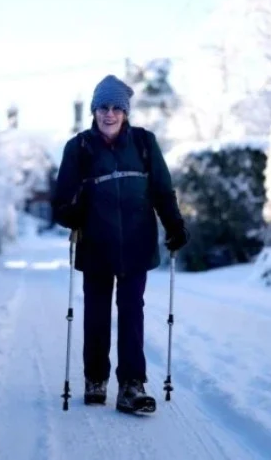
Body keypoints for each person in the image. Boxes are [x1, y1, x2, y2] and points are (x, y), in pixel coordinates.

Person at [51, 74, 189, 413]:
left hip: (137, 245)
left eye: (115, 108)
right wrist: (73, 213)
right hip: (96, 245)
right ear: (94, 111)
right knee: (96, 316)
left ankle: (132, 385)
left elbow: (162, 190)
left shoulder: (144, 143)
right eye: (102, 107)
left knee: (132, 313)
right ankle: (95, 379)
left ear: (125, 112)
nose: (108, 114)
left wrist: (174, 225)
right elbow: (60, 202)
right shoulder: (79, 147)